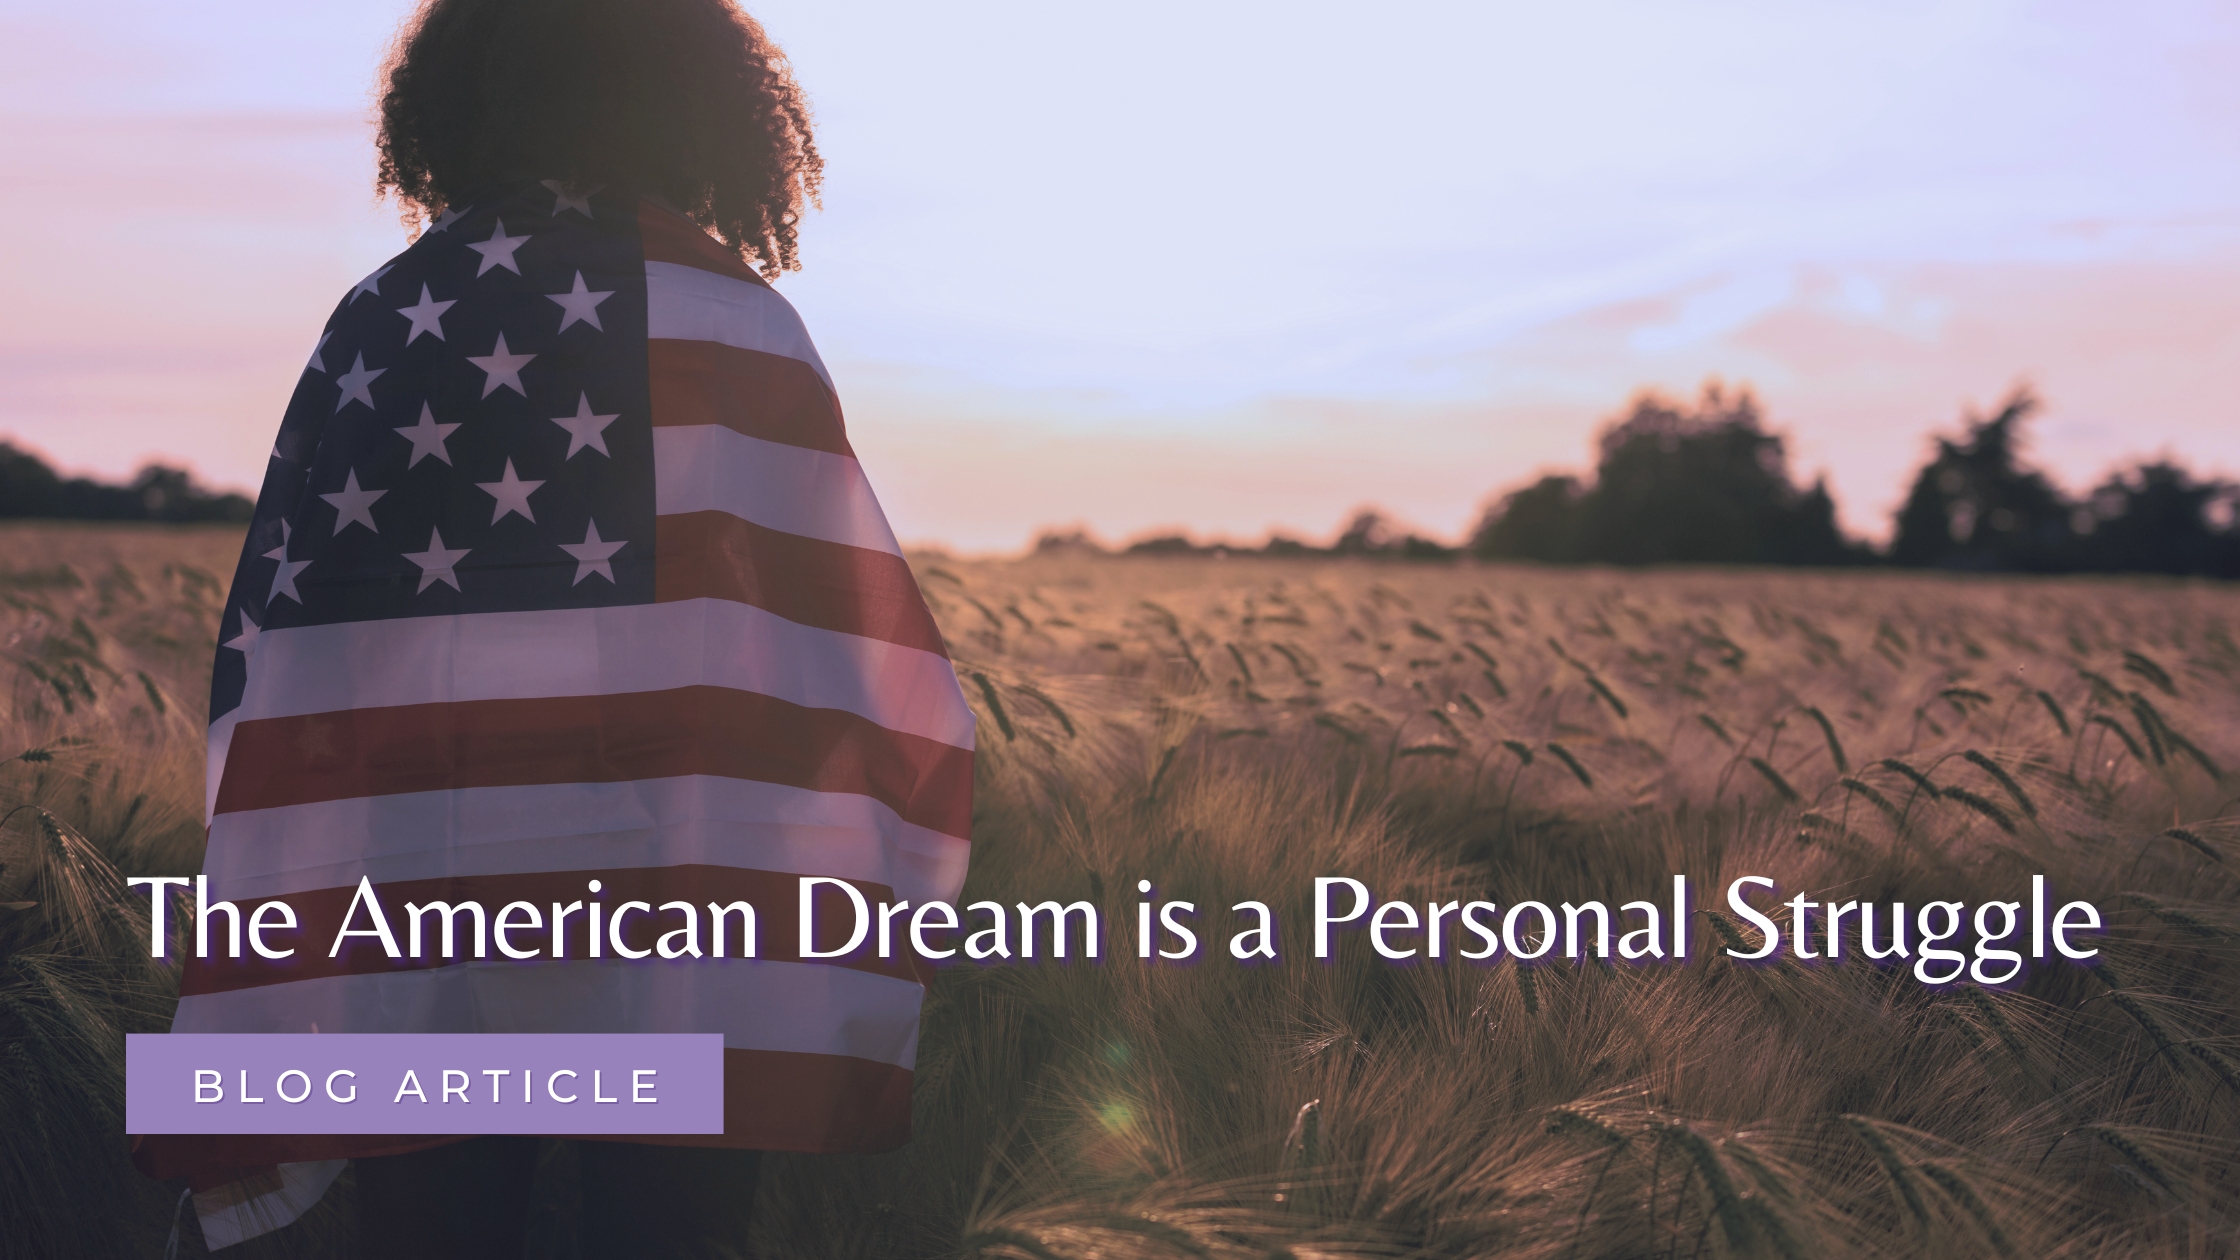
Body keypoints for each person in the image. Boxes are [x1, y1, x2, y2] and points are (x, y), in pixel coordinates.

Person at [131, 3, 976, 1255]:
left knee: (437, 1235)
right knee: (670, 1233)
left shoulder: (386, 320)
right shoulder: (738, 325)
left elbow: (284, 661)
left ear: (454, 101)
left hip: (416, 908)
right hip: (688, 914)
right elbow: (846, 667)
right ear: (705, 102)